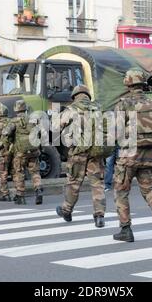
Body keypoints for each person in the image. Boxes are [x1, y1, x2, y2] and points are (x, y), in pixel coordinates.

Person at [112, 68, 152, 243]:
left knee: (121, 191)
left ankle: (126, 229)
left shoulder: (123, 104)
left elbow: (117, 130)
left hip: (128, 155)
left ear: (128, 83)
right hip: (150, 154)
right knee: (148, 190)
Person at [55, 85, 106, 228]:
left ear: (75, 96)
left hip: (78, 152)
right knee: (97, 184)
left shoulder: (71, 109)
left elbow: (56, 127)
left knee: (73, 182)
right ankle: (99, 216)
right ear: (87, 95)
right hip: (96, 152)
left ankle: (66, 210)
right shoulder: (98, 108)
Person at [9, 100, 43, 205]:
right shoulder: (33, 120)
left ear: (16, 109)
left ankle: (20, 196)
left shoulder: (14, 121)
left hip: (20, 152)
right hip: (33, 150)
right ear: (26, 108)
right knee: (35, 172)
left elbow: (6, 132)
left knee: (19, 172)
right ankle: (38, 189)